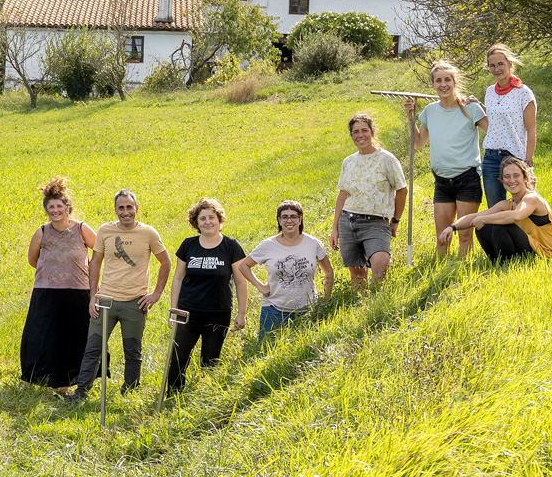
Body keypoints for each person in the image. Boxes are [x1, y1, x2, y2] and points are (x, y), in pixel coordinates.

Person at [65, 189, 170, 404]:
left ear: (136, 208)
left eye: (129, 207)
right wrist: (93, 295)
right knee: (92, 349)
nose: (125, 212)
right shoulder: (105, 231)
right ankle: (80, 394)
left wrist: (156, 294)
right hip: (105, 302)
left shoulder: (149, 233)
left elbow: (166, 262)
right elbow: (95, 263)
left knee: (132, 350)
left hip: (135, 303)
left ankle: (129, 392)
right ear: (115, 210)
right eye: (121, 208)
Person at [19, 177, 97, 392]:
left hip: (78, 292)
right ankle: (34, 377)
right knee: (40, 336)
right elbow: (32, 260)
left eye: (59, 206)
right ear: (46, 210)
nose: (55, 210)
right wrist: (51, 273)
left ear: (67, 208)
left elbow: (100, 252)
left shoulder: (81, 229)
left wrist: (91, 275)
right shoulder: (42, 232)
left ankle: (73, 382)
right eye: (51, 207)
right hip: (46, 292)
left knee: (74, 338)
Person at [405, 60, 489, 255]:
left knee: (465, 237)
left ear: (455, 82)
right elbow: (418, 144)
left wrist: (484, 107)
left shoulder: (471, 109)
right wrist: (410, 116)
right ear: (433, 85)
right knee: (442, 239)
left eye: (447, 80)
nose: (443, 84)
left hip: (467, 178)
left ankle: (461, 280)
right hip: (442, 181)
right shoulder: (430, 111)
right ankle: (441, 276)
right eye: (438, 81)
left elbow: (493, 132)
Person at [165, 197, 247, 393]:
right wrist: (173, 310)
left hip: (217, 313)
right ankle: (173, 396)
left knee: (210, 361)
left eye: (212, 217)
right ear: (196, 222)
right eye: (203, 218)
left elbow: (241, 281)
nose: (208, 222)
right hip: (187, 313)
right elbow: (177, 279)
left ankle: (205, 397)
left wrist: (241, 313)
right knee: (178, 358)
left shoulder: (231, 246)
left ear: (219, 220)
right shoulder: (188, 245)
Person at [330, 113, 408, 290]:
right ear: (351, 135)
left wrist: (395, 220)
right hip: (348, 222)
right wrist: (334, 228)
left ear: (372, 132)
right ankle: (361, 309)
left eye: (364, 130)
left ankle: (377, 304)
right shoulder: (348, 161)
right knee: (357, 277)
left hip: (376, 222)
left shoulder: (387, 159)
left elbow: (402, 190)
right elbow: (342, 195)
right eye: (355, 132)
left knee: (380, 266)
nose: (360, 135)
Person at [236, 200, 334, 340]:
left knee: (305, 353)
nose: (289, 220)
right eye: (285, 217)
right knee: (265, 350)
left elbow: (329, 271)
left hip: (307, 310)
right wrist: (261, 287)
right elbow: (243, 266)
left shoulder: (313, 243)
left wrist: (325, 299)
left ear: (300, 219)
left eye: (293, 216)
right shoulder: (267, 245)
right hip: (274, 310)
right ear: (279, 220)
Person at [439, 156, 552, 262]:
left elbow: (516, 216)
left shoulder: (532, 198)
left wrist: (484, 219)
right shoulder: (505, 204)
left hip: (544, 256)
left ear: (525, 178)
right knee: (482, 228)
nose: (511, 180)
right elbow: (475, 217)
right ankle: (499, 263)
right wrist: (452, 227)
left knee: (500, 225)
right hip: (528, 251)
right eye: (507, 177)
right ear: (502, 181)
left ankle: (507, 265)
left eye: (516, 175)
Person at [480, 44, 538, 207]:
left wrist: (528, 161)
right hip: (491, 158)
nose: (496, 69)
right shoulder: (490, 92)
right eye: (492, 65)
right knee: (495, 209)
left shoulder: (523, 93)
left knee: (522, 208)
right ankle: (499, 234)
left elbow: (531, 129)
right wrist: (477, 106)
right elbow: (495, 119)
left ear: (510, 65)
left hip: (515, 157)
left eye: (500, 64)